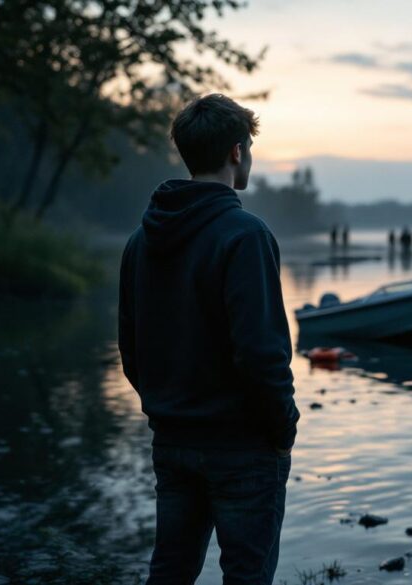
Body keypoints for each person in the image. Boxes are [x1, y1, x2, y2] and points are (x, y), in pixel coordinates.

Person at [119, 94, 300, 585]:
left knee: (170, 573)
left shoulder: (141, 239)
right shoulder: (244, 234)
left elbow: (131, 349)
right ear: (237, 152)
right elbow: (261, 354)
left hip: (173, 440)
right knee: (247, 575)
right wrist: (283, 429)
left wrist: (165, 407)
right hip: (242, 447)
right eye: (250, 148)